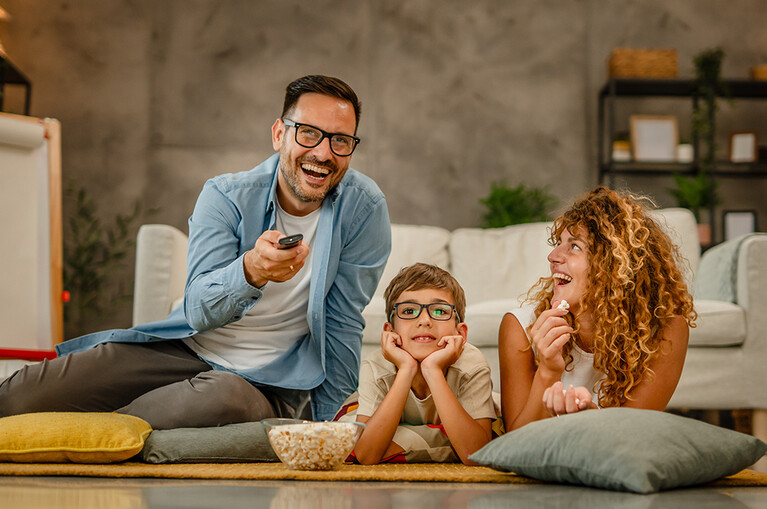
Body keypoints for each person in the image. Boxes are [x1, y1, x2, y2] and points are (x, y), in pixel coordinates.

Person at [0, 75, 391, 426]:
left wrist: (332, 427)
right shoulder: (225, 195)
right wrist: (251, 271)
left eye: (340, 140)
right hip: (182, 349)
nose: (323, 153)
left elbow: (341, 324)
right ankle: (119, 420)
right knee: (21, 397)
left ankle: (104, 430)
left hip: (264, 383)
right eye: (308, 133)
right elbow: (198, 309)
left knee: (222, 398)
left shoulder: (364, 209)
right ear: (279, 134)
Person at [498, 186, 696, 431]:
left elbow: (632, 434)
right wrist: (548, 371)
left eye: (574, 246)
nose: (553, 256)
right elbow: (516, 442)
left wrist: (588, 418)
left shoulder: (665, 329)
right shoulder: (520, 327)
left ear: (613, 265)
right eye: (558, 243)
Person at [351, 263, 496, 465]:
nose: (425, 320)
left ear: (460, 333)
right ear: (390, 332)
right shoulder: (376, 366)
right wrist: (406, 369)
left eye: (440, 311)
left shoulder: (471, 365)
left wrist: (432, 370)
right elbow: (366, 455)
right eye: (409, 310)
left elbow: (476, 454)